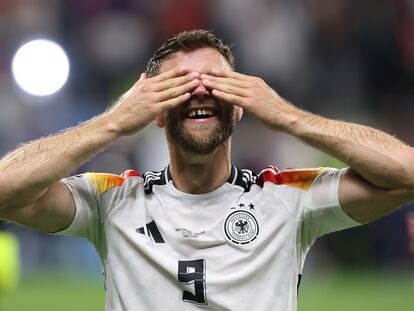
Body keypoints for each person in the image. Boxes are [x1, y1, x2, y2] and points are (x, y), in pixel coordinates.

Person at [0, 29, 413, 311]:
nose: (199, 91)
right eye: (179, 85)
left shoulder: (288, 197)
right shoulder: (111, 199)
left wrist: (287, 116)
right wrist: (114, 122)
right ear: (156, 112)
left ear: (240, 106)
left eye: (217, 83)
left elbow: (407, 173)